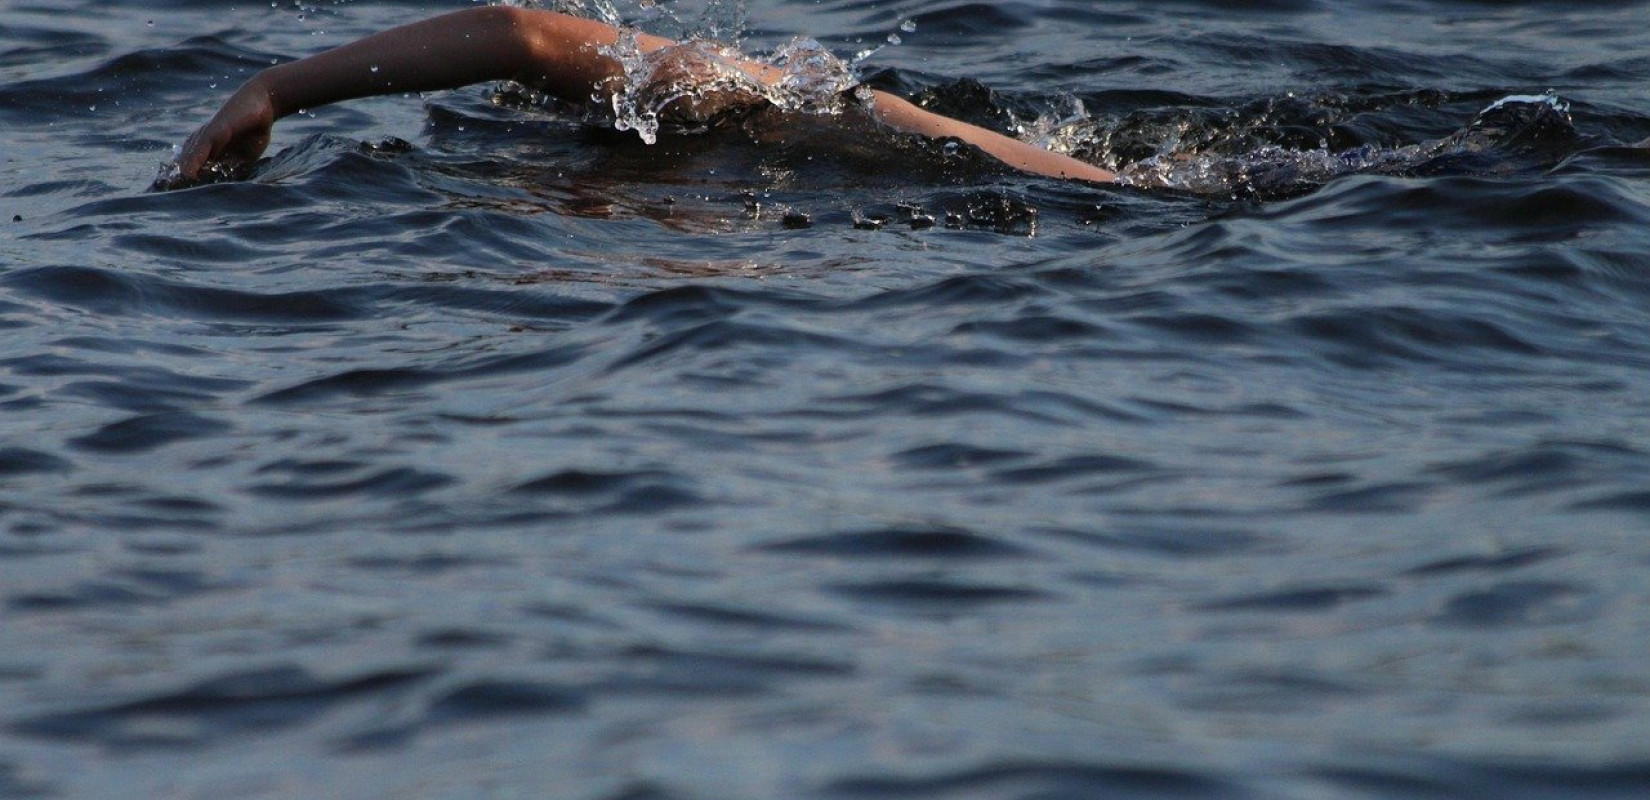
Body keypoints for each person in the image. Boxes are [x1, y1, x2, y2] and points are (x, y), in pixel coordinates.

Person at [172, 5, 1119, 186]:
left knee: (1138, 200)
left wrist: (269, 90)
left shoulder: (679, 89)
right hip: (867, 182)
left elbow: (515, 34)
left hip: (885, 153)